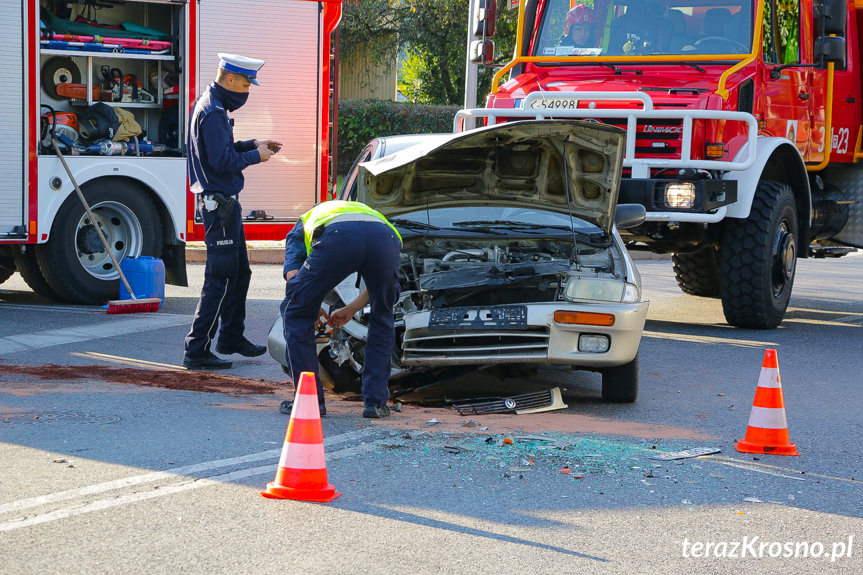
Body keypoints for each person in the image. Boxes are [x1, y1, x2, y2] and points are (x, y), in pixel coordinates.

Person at [183, 54, 282, 370]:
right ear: (228, 79)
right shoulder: (212, 112)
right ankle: (197, 349)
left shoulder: (213, 105)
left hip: (225, 204)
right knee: (220, 278)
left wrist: (252, 144)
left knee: (240, 273)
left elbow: (223, 150)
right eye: (244, 84)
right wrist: (256, 156)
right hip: (219, 206)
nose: (246, 91)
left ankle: (230, 337)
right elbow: (220, 162)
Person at [279, 200, 402, 418]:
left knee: (296, 313)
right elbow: (377, 290)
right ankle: (375, 403)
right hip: (385, 238)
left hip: (338, 238)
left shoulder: (306, 222)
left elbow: (294, 277)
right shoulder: (371, 214)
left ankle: (309, 402)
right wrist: (350, 309)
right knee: (383, 315)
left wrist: (311, 305)